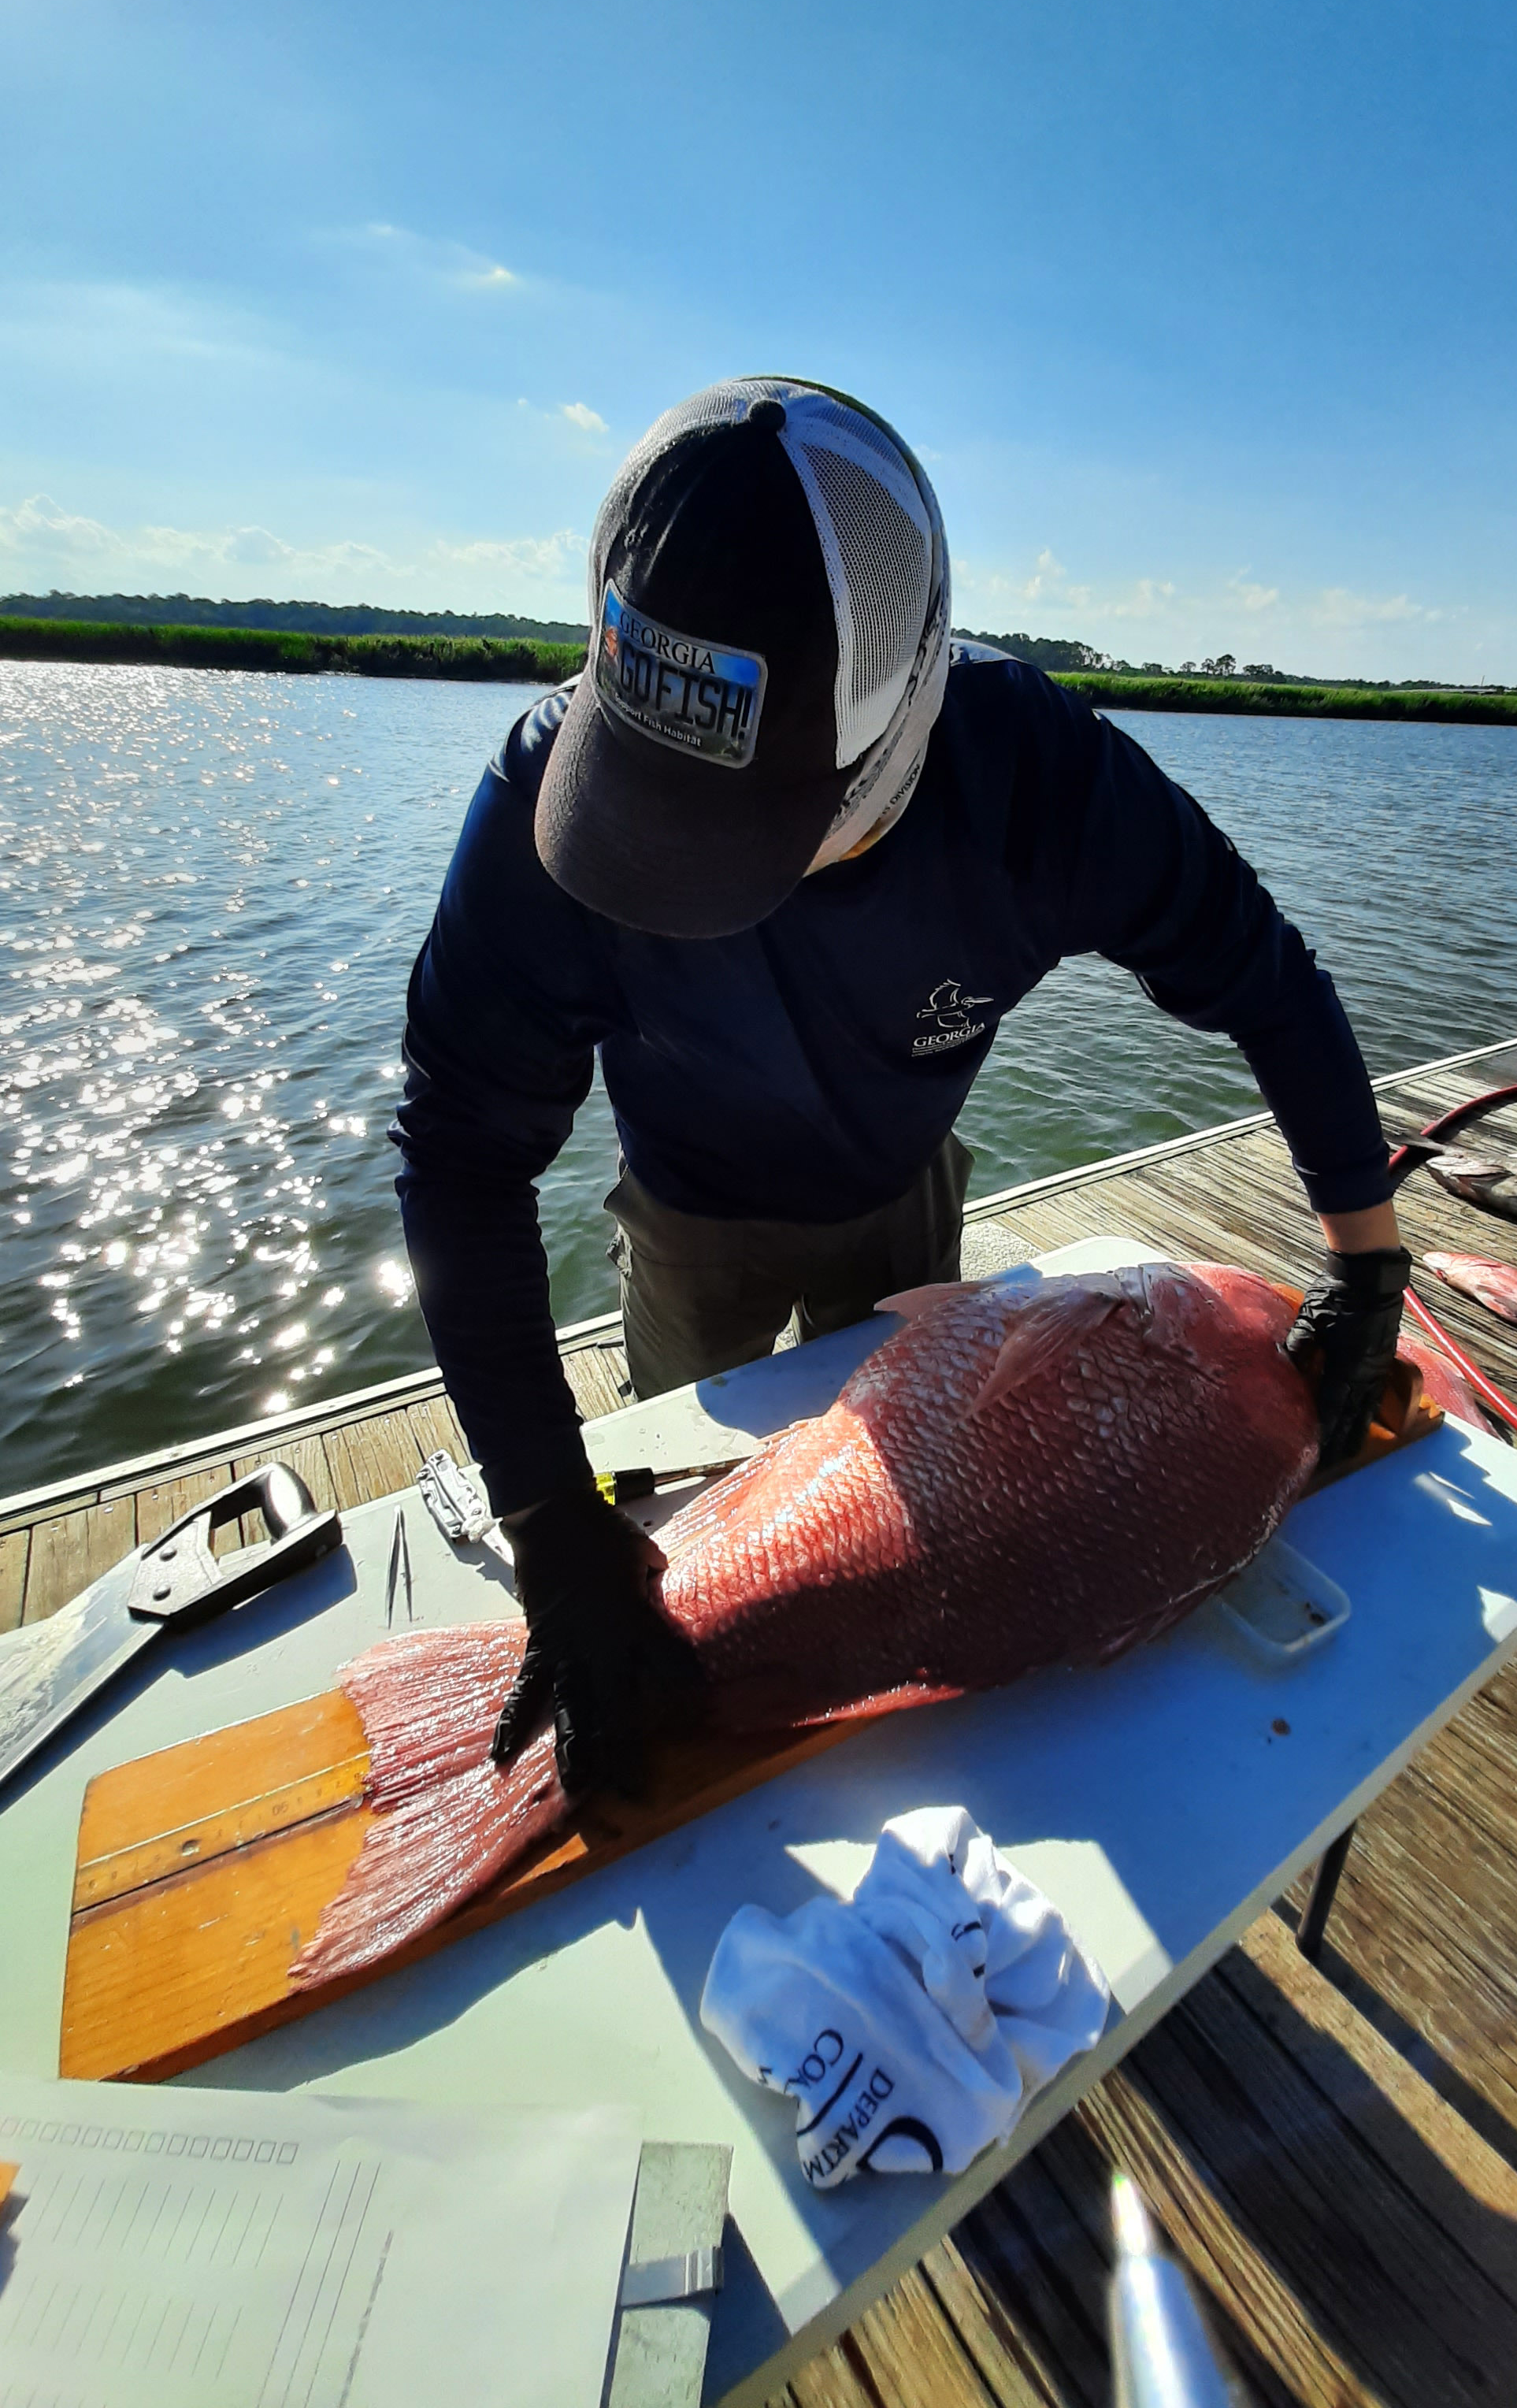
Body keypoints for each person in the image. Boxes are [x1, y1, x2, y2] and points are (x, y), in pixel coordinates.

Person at [393, 377, 1408, 1804]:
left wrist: (1369, 1264)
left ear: (904, 714)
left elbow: (1266, 981)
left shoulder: (1041, 781)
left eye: (734, 839)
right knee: (705, 1534)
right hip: (685, 1213)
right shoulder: (534, 798)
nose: (686, 884)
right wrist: (554, 1526)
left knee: (934, 1531)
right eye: (646, 815)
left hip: (901, 1189)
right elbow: (460, 1157)